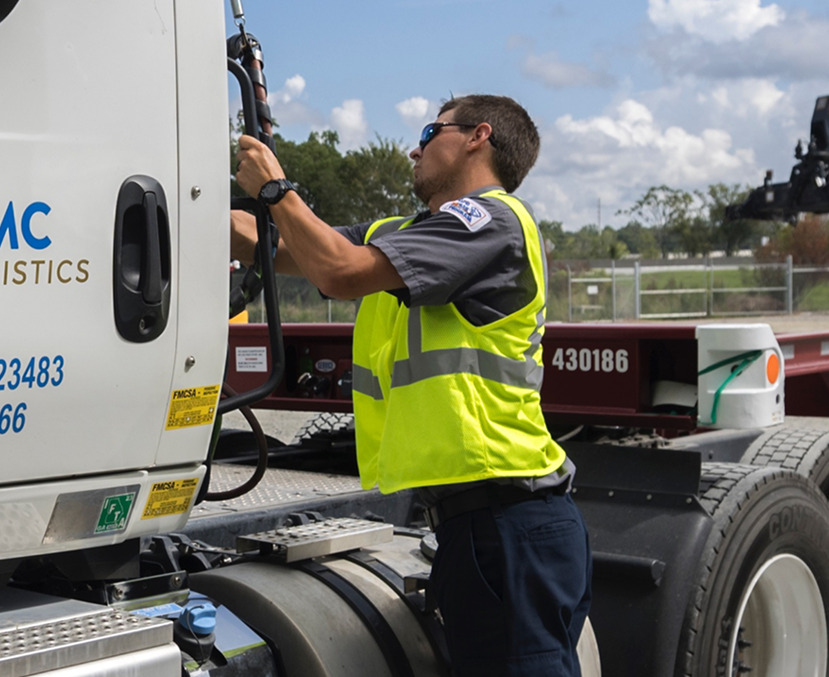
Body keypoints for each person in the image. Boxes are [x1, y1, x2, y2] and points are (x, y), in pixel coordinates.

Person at [230, 94, 590, 677]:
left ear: (478, 136)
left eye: (429, 132)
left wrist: (276, 188)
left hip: (508, 522)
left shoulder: (490, 222)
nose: (414, 150)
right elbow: (287, 245)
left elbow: (340, 271)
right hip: (481, 524)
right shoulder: (410, 232)